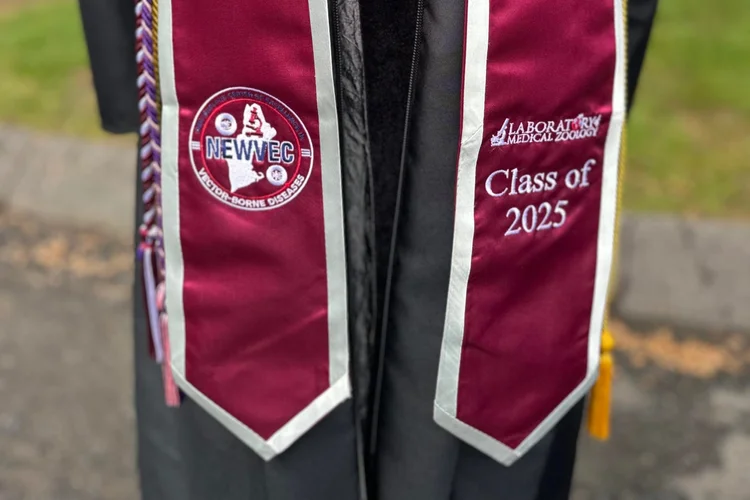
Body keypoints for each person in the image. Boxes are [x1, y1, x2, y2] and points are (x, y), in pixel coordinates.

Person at [78, 0, 658, 498]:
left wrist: (587, 85)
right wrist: (130, 66)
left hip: (497, 64)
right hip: (230, 53)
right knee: (246, 443)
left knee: (481, 441)